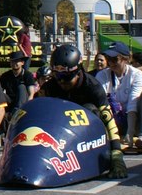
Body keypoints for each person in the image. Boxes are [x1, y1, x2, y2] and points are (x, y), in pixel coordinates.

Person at [38, 44, 128, 179]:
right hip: (59, 133)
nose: (62, 82)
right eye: (58, 76)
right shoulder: (48, 88)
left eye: (67, 78)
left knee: (90, 109)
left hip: (86, 135)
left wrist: (117, 153)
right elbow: (35, 113)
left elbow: (108, 119)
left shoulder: (93, 87)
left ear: (78, 72)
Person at [95, 43, 142, 153]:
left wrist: (130, 132)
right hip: (112, 120)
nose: (111, 63)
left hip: (134, 120)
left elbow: (133, 103)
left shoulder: (137, 75)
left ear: (126, 59)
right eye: (108, 59)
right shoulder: (102, 75)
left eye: (114, 59)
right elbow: (102, 100)